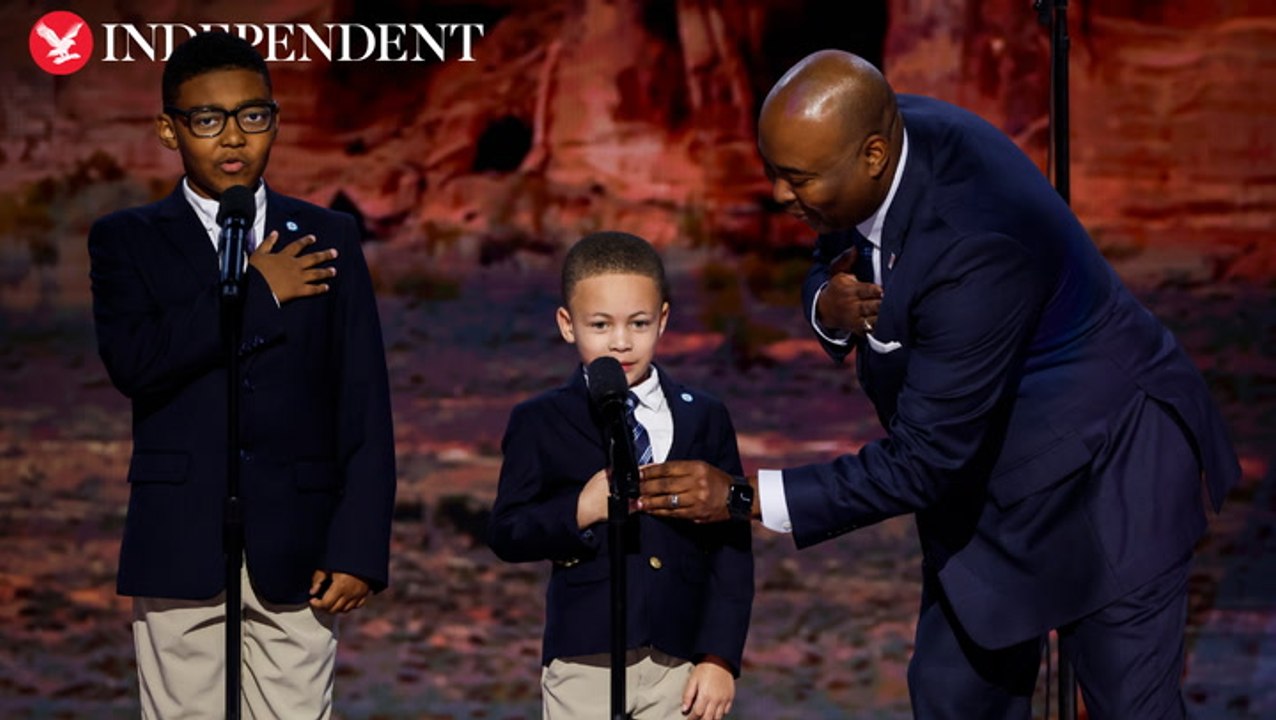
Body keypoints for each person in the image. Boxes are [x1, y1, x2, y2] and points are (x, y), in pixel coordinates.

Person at [637, 50, 1239, 719]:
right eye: (774, 171)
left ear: (871, 154)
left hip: (1110, 478)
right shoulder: (875, 144)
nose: (780, 194)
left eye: (796, 177)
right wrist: (825, 308)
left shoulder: (976, 244)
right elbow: (832, 246)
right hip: (983, 483)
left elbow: (923, 460)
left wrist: (742, 496)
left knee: (1130, 707)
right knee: (954, 700)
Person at [87, 31, 396, 719]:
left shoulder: (328, 236)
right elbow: (136, 363)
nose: (233, 138)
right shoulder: (127, 238)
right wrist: (259, 292)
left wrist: (360, 547)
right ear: (169, 130)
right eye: (207, 119)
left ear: (276, 121)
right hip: (180, 534)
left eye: (252, 116)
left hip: (300, 541)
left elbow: (364, 401)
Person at [488, 231, 753, 720]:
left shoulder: (705, 416)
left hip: (679, 664)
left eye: (638, 323)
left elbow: (731, 546)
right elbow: (508, 531)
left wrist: (719, 658)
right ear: (568, 325)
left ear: (663, 320)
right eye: (600, 324)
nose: (621, 341)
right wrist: (581, 510)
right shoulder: (540, 419)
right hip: (584, 658)